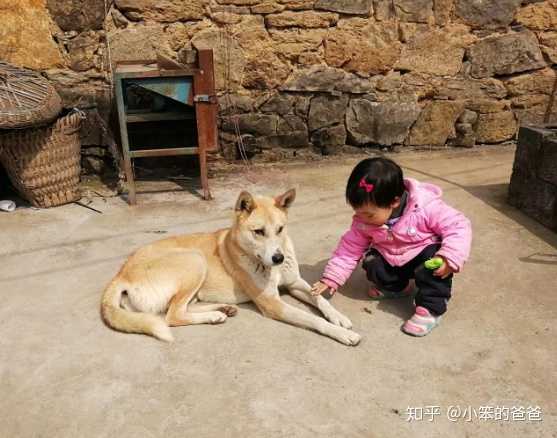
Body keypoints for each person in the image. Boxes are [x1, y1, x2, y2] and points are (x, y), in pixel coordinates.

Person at [311, 157, 472, 337]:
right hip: (392, 256)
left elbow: (459, 225)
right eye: (357, 212)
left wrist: (449, 257)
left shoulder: (426, 207)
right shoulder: (364, 221)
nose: (361, 218)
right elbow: (349, 249)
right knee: (372, 262)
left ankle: (430, 309)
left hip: (423, 254)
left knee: (431, 268)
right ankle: (397, 287)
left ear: (394, 202)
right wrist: (332, 278)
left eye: (369, 215)